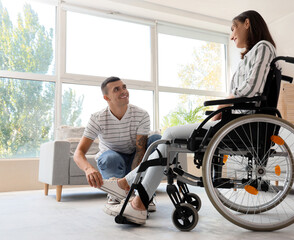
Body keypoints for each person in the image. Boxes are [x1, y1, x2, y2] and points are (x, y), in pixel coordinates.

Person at [97, 10, 277, 225]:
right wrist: (226, 104)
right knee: (167, 141)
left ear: (247, 23)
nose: (231, 36)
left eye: (233, 28)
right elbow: (244, 93)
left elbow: (252, 91)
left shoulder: (263, 48)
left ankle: (134, 194)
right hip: (233, 121)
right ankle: (135, 196)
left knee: (169, 135)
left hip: (240, 125)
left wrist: (226, 102)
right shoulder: (250, 55)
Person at [73, 76, 161, 209]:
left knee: (157, 141)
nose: (123, 91)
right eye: (117, 89)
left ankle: (144, 193)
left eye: (124, 87)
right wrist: (88, 169)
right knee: (110, 157)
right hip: (113, 161)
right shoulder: (97, 118)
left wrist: (132, 181)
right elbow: (78, 153)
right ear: (106, 98)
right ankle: (116, 195)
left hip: (136, 161)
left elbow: (140, 151)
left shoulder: (141, 114)